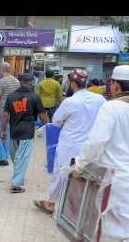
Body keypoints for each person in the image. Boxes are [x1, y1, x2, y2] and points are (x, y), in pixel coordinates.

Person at [65, 65, 129, 242]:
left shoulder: (111, 109)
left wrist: (78, 168)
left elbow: (95, 144)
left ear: (115, 85)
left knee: (92, 221)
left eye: (111, 84)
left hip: (114, 182)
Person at [34, 68, 106, 214]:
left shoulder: (70, 102)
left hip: (69, 145)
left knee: (60, 174)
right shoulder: (100, 99)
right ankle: (81, 207)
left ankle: (51, 203)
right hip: (91, 146)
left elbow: (56, 121)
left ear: (73, 84)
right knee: (86, 176)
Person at [0, 74, 48, 193]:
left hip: (14, 130)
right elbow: (42, 116)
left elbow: (5, 115)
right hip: (27, 131)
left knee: (16, 157)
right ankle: (16, 183)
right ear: (31, 82)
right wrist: (50, 126)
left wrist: (2, 130)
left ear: (20, 82)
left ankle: (18, 178)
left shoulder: (11, 97)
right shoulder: (35, 97)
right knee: (22, 158)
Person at [0, 62, 20, 166]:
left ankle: (2, 158)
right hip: (12, 112)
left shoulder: (0, 82)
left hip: (0, 112)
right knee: (7, 134)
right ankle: (6, 156)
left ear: (2, 69)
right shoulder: (17, 82)